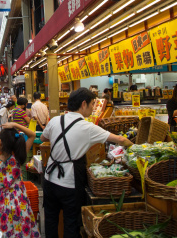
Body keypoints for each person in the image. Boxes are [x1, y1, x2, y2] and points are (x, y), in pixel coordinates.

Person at [41, 88, 133, 238]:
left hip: (49, 179)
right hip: (69, 182)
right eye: (92, 104)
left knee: (51, 219)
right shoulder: (88, 127)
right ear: (83, 104)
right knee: (71, 222)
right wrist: (135, 147)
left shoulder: (55, 120)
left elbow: (44, 138)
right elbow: (120, 140)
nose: (92, 108)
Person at [0, 122, 41, 237]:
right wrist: (15, 125)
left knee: (2, 231)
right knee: (21, 229)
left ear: (0, 142)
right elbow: (32, 135)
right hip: (19, 200)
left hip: (0, 203)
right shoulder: (18, 158)